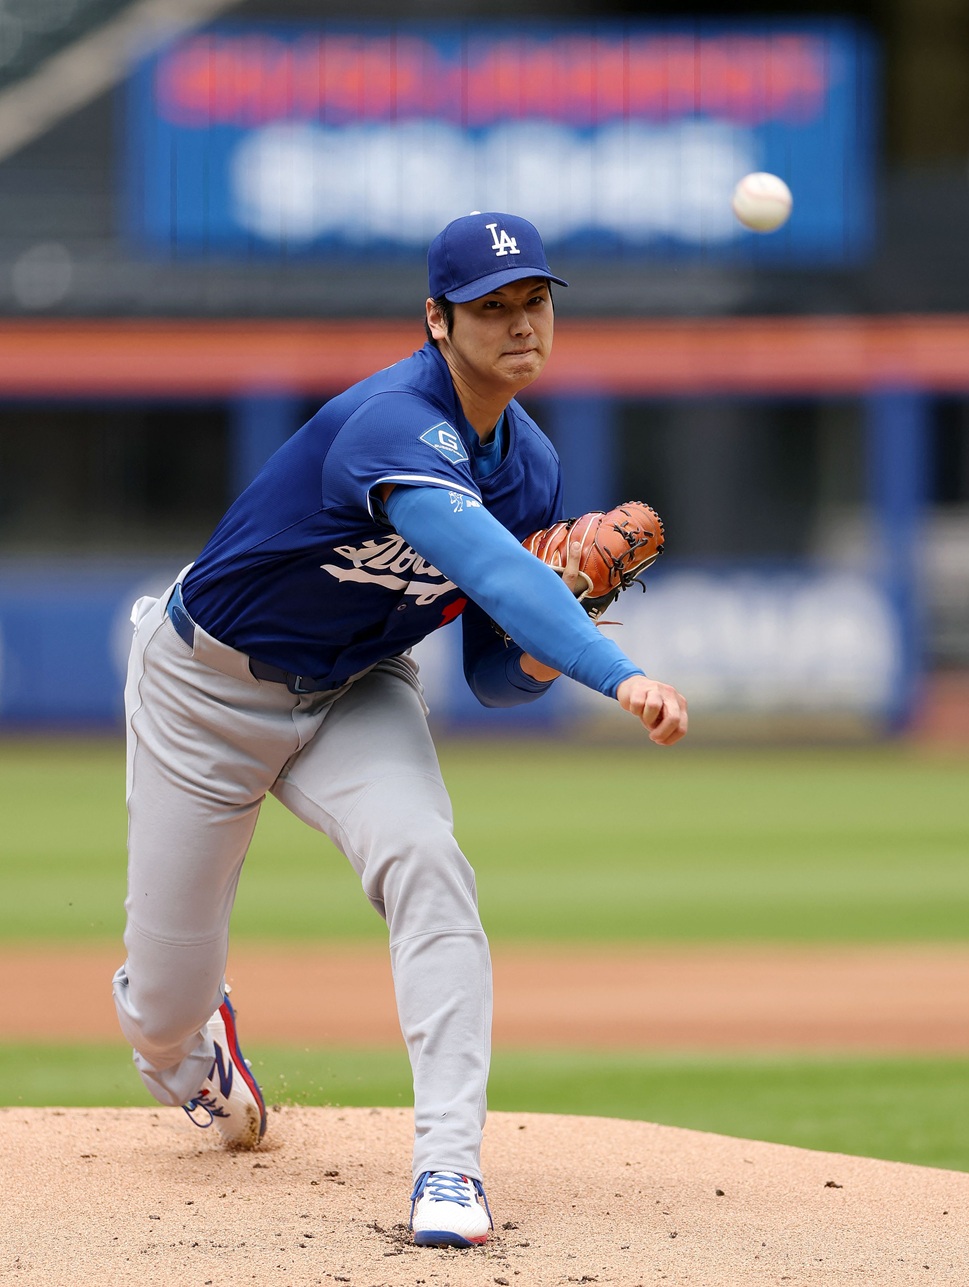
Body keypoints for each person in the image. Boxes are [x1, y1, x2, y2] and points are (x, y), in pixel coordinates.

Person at [112, 211, 687, 1248]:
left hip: (355, 690)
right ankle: (196, 1051)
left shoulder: (532, 467)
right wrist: (618, 666)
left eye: (535, 302)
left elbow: (494, 677)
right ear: (437, 319)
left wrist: (547, 646)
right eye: (491, 307)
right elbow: (498, 570)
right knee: (158, 1011)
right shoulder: (389, 420)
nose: (520, 325)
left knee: (427, 856)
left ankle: (449, 1168)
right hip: (202, 694)